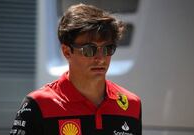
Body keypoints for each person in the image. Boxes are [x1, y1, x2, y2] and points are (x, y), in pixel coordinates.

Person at [10, 3, 142, 135]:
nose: (101, 58)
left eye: (108, 49)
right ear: (67, 52)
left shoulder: (132, 104)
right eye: (89, 49)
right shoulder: (37, 104)